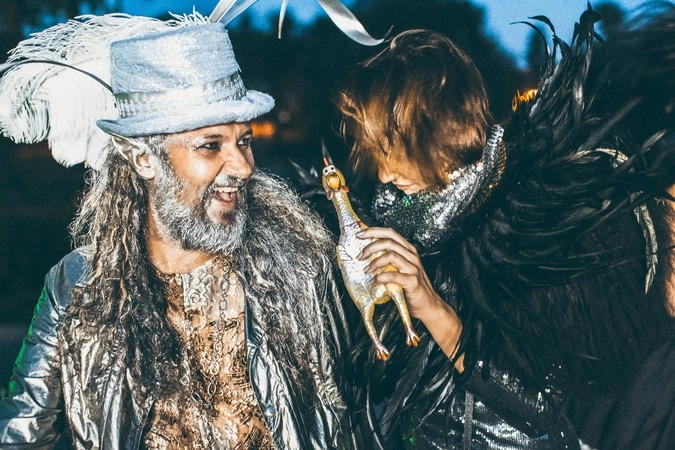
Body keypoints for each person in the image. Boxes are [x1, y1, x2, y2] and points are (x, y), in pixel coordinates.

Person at [0, 13, 361, 449]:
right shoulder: (77, 285)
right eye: (211, 145)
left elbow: (344, 418)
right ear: (144, 159)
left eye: (244, 141)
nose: (243, 166)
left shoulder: (294, 269)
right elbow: (23, 432)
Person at [334, 7, 675, 450]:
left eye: (391, 149)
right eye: (373, 152)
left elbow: (545, 412)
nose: (382, 175)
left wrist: (432, 307)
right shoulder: (396, 217)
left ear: (441, 129)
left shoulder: (530, 227)